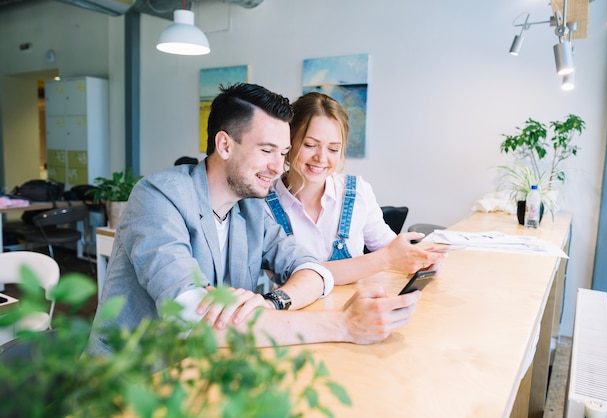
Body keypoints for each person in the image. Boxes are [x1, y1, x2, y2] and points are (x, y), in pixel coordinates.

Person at [86, 83, 421, 354]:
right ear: (225, 145)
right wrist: (345, 325)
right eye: (266, 151)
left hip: (212, 368)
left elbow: (314, 270)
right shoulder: (159, 197)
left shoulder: (251, 208)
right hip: (134, 380)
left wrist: (272, 302)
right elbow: (191, 317)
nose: (278, 167)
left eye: (283, 153)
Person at [266, 92, 444, 285]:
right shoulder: (263, 205)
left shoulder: (357, 191)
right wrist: (384, 259)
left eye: (333, 149)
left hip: (358, 308)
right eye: (310, 145)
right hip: (298, 313)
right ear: (288, 142)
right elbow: (292, 274)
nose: (321, 158)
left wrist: (419, 260)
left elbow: (387, 246)